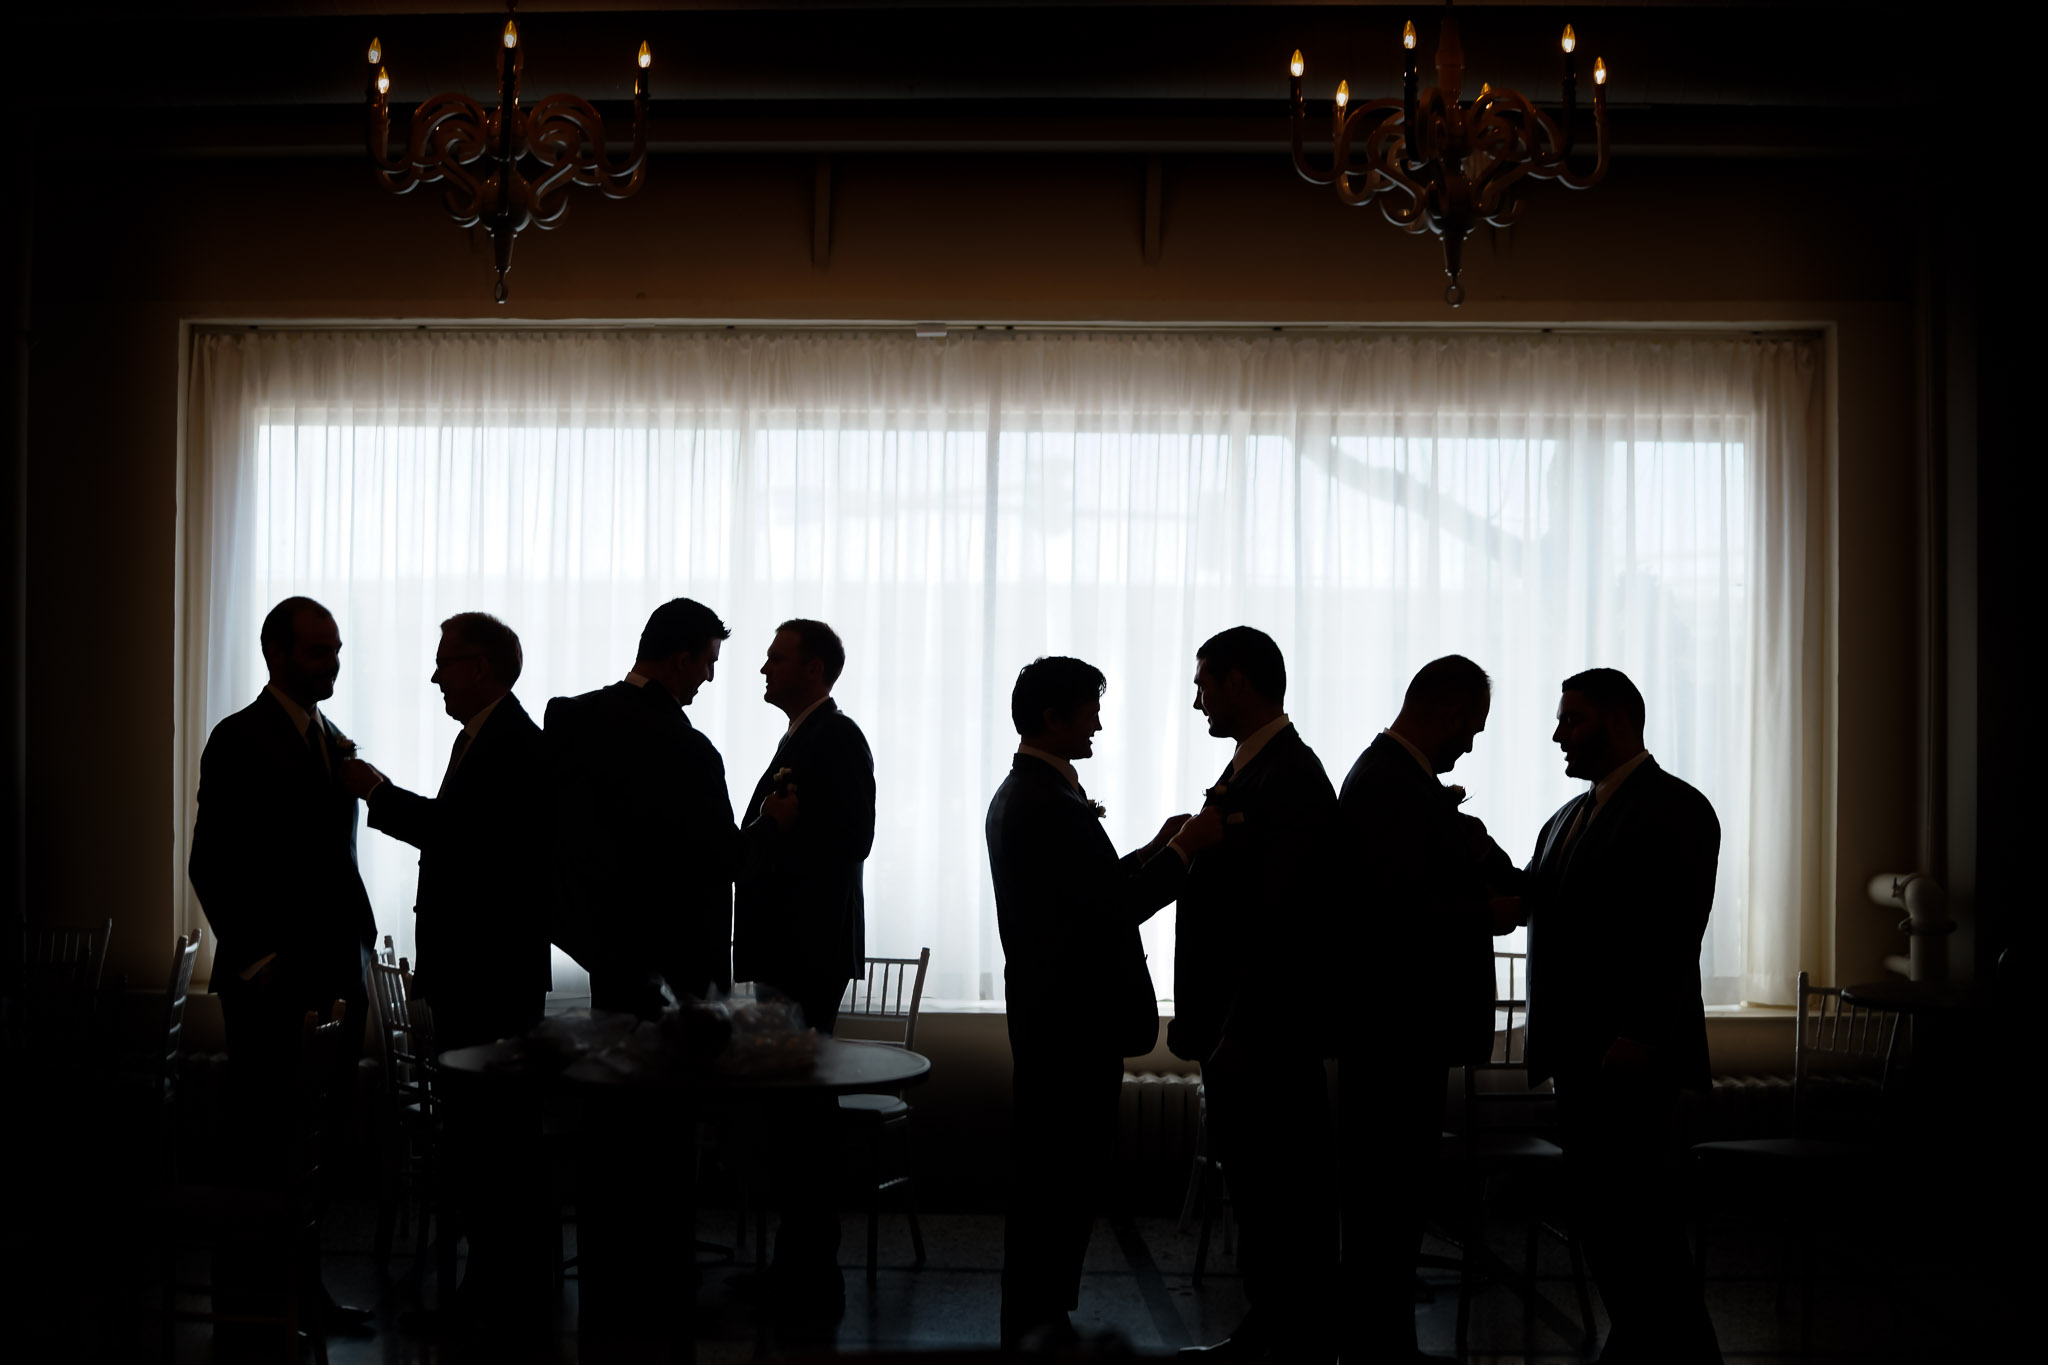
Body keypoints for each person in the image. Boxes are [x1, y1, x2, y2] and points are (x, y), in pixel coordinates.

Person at [985, 656, 1221, 1349]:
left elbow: (1082, 897)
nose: (1097, 721)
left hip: (1049, 1020)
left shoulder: (1022, 794)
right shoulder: (1047, 803)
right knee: (1060, 1185)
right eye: (1089, 708)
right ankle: (1038, 1320)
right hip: (1073, 1027)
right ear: (1054, 718)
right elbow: (1110, 910)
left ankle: (1036, 1314)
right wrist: (1186, 851)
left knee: (1050, 1181)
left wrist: (1155, 844)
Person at [341, 611, 551, 1331]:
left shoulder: (512, 745)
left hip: (487, 979)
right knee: (487, 1145)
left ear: (482, 668)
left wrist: (375, 791)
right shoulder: (488, 737)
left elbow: (459, 838)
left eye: (446, 661)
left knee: (491, 1147)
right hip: (484, 976)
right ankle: (498, 1290)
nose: (435, 675)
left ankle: (497, 1297)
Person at [1521, 668, 1723, 1365]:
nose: (1557, 735)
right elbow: (1530, 901)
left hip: (1630, 1053)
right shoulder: (1566, 819)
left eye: (1570, 720)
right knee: (1604, 1212)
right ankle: (1643, 1338)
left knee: (1634, 1214)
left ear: (1617, 719)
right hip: (1579, 1053)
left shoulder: (1677, 808)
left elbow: (1675, 929)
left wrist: (1639, 1032)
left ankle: (1678, 1351)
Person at [187, 595, 377, 1334]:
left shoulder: (334, 740)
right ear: (277, 655)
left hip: (333, 974)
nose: (331, 662)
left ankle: (303, 1289)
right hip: (270, 980)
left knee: (312, 1150)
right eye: (316, 651)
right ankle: (248, 1298)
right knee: (259, 1141)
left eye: (335, 649)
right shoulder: (238, 738)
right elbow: (213, 860)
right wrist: (259, 959)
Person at [1337, 655, 1520, 1362]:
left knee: (1392, 1191)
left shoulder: (1399, 780)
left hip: (1395, 1026)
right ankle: (1381, 1345)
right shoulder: (1390, 781)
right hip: (1396, 1025)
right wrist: (1489, 907)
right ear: (1447, 713)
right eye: (1471, 727)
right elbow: (1389, 909)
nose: (1470, 743)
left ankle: (1380, 1333)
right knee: (1388, 1191)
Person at [1170, 626, 1338, 1362]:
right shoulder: (1251, 770)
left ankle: (1285, 1335)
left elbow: (1287, 918)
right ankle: (1273, 1326)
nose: (1197, 697)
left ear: (1239, 682)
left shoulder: (1290, 774)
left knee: (1279, 1192)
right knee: (1259, 1188)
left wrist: (1242, 1026)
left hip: (1260, 1032)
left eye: (1204, 681)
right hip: (1237, 1026)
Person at [732, 618, 876, 1312]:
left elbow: (856, 837)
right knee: (790, 1113)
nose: (763, 666)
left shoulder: (837, 738)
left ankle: (811, 1267)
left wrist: (789, 826)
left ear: (814, 669)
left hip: (807, 952)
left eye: (776, 656)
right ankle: (798, 1258)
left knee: (804, 1113)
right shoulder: (801, 738)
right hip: (788, 950)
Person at [545, 597, 736, 1017]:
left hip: (601, 950)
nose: (710, 676)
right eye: (709, 662)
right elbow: (723, 857)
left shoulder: (570, 718)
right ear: (682, 661)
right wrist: (771, 825)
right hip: (679, 964)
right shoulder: (691, 750)